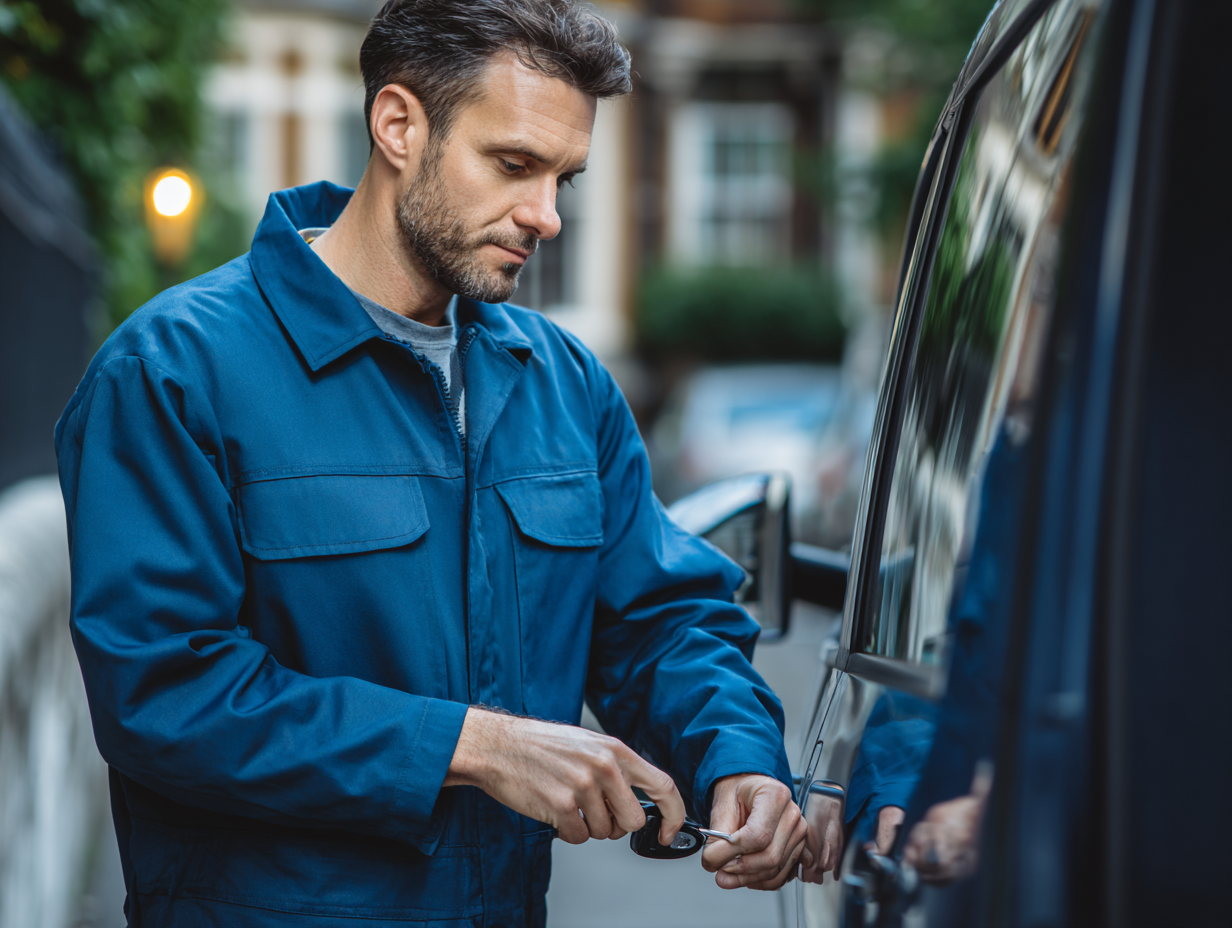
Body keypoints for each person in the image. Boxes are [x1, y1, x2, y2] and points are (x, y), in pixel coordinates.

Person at [54, 2, 808, 925]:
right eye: (514, 165)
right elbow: (163, 691)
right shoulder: (174, 372)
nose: (547, 215)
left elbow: (657, 622)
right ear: (399, 125)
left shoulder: (564, 382)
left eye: (565, 178)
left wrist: (738, 756)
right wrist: (474, 746)